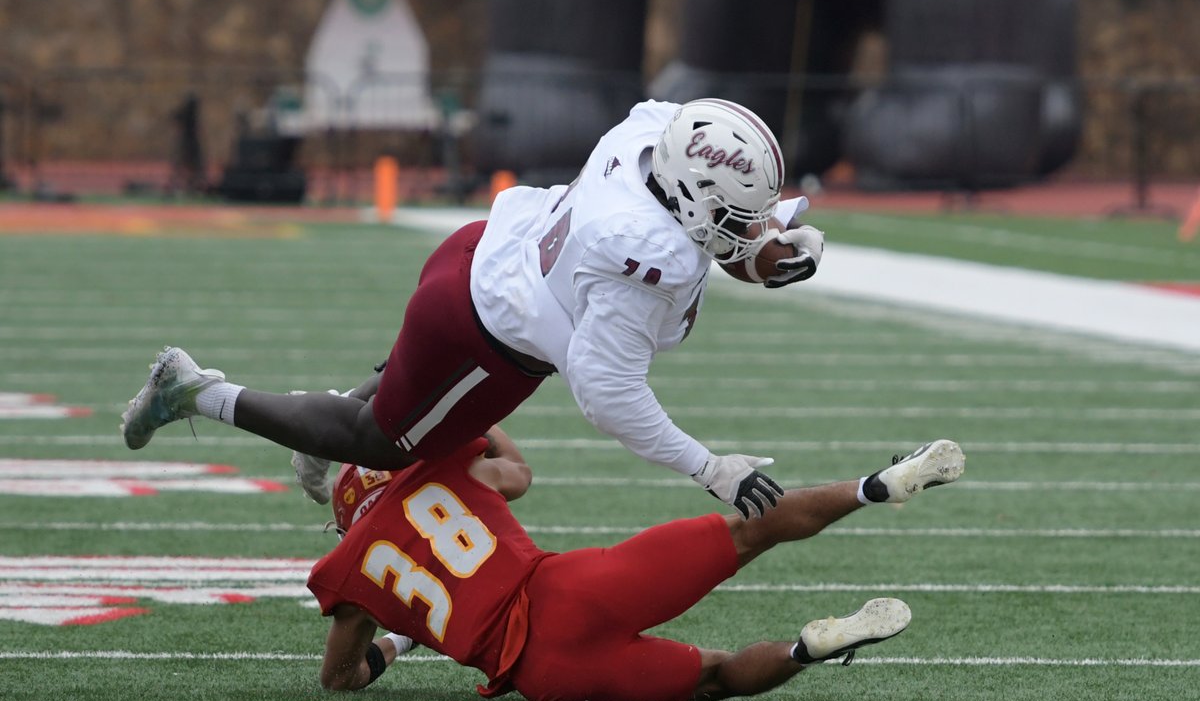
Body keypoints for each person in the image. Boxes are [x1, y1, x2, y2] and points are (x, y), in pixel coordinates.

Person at [121, 98, 826, 519]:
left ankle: (320, 420)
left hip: (482, 250)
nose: (754, 225)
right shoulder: (638, 266)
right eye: (744, 215)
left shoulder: (651, 141)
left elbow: (710, 229)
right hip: (482, 339)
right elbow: (609, 396)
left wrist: (765, 254)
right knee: (379, 442)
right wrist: (711, 468)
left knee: (404, 391)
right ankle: (196, 392)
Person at [307, 427, 965, 701]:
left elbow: (340, 677)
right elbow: (519, 471)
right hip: (573, 589)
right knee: (746, 532)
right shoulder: (443, 470)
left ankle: (804, 647)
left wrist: (399, 636)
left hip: (544, 671)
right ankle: (871, 487)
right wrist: (485, 417)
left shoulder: (351, 572)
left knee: (713, 679)